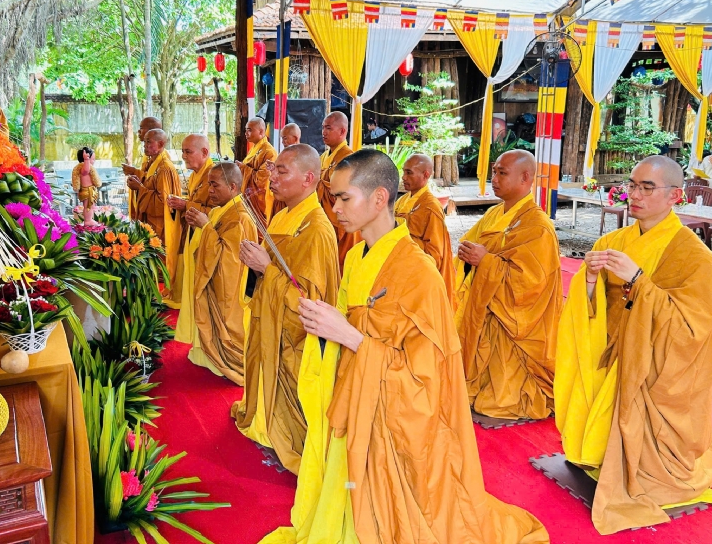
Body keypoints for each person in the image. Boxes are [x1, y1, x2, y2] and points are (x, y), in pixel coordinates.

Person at [260, 149, 549, 544]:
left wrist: (351, 336)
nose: (335, 207)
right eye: (334, 197)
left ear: (379, 198)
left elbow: (426, 376)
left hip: (395, 422)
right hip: (357, 402)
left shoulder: (419, 273)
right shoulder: (358, 256)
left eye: (344, 198)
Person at [555, 155, 712, 535]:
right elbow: (595, 310)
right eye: (632, 184)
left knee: (654, 476)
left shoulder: (695, 257)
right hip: (616, 359)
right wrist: (588, 281)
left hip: (655, 370)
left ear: (675, 196)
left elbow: (692, 330)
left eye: (646, 187)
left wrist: (638, 279)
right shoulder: (614, 240)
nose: (633, 195)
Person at [232, 144, 339, 474]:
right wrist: (254, 260)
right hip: (269, 316)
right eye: (272, 169)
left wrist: (267, 269)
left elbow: (312, 299)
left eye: (281, 171)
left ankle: (291, 442)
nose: (271, 177)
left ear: (308, 178)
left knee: (290, 382)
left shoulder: (317, 229)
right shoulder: (281, 214)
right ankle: (265, 425)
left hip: (293, 331)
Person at [454, 150, 562, 420]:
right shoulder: (493, 213)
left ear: (526, 178)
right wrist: (469, 255)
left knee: (500, 398)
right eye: (494, 171)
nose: (495, 178)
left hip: (513, 322)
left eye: (502, 173)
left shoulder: (538, 226)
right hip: (486, 310)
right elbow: (471, 244)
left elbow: (531, 284)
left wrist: (487, 262)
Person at [185, 163, 257, 384]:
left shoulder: (241, 217)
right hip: (216, 287)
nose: (210, 191)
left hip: (230, 292)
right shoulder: (221, 211)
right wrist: (202, 226)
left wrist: (206, 228)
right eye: (209, 185)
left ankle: (228, 360)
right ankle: (208, 354)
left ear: (233, 187)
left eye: (215, 185)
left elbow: (230, 262)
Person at [127, 129, 181, 298]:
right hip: (150, 223)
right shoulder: (154, 163)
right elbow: (150, 183)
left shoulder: (164, 168)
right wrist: (137, 177)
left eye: (149, 142)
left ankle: (156, 298)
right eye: (145, 142)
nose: (145, 145)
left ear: (161, 144)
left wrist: (139, 189)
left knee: (158, 265)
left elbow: (161, 203)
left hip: (160, 225)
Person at [394, 153, 456, 295]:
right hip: (399, 267)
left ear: (425, 175)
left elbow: (435, 252)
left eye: (409, 173)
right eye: (404, 172)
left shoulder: (430, 207)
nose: (404, 177)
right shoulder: (403, 200)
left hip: (417, 273)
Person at [170, 134, 213, 332]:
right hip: (192, 233)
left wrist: (186, 205)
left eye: (188, 151)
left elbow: (218, 211)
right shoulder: (197, 174)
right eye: (183, 151)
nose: (184, 156)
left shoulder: (214, 175)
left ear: (204, 152)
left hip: (206, 239)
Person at [318, 111, 357, 271]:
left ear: (342, 131)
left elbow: (347, 193)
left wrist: (321, 185)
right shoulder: (324, 156)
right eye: (322, 128)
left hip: (340, 220)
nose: (323, 132)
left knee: (338, 266)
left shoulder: (349, 158)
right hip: (323, 219)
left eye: (328, 128)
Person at [236, 118, 278, 225]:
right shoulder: (255, 148)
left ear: (261, 131)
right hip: (248, 197)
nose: (246, 133)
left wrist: (243, 168)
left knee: (258, 231)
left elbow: (262, 180)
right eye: (246, 130)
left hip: (259, 200)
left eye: (249, 130)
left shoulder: (269, 152)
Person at [122, 116, 163, 217]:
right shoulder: (149, 155)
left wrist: (135, 174)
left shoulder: (163, 164)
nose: (138, 131)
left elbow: (162, 202)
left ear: (151, 131)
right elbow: (148, 179)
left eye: (141, 128)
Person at [72, 146, 102, 228]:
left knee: (90, 207)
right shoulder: (83, 168)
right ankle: (88, 220)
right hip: (87, 191)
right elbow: (86, 170)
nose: (94, 161)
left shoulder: (88, 168)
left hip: (90, 191)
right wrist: (86, 160)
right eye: (92, 159)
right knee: (88, 207)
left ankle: (89, 219)